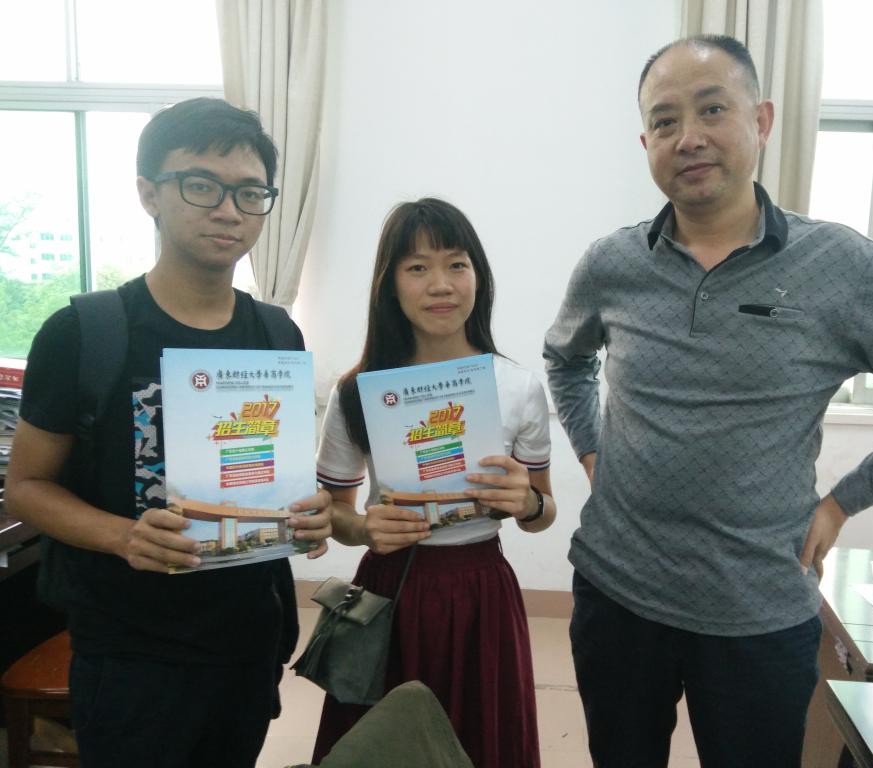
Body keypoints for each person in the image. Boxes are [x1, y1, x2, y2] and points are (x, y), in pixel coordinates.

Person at [543, 34, 873, 768]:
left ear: (761, 121)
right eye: (665, 121)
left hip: (758, 610)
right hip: (617, 594)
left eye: (712, 109)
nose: (689, 138)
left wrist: (843, 502)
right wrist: (594, 451)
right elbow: (565, 360)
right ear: (646, 143)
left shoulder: (841, 266)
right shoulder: (612, 263)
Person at [6, 97, 333, 768]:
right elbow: (27, 486)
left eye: (250, 192)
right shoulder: (85, 333)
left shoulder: (277, 333)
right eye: (201, 185)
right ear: (149, 193)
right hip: (130, 653)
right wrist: (123, 535)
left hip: (247, 642)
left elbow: (272, 472)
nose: (229, 210)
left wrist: (309, 514)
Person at [311, 198, 556, 768]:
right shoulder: (358, 391)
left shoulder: (518, 387)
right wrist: (364, 528)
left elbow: (544, 513)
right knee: (380, 746)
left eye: (456, 264)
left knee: (481, 741)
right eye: (417, 267)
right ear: (390, 285)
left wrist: (527, 502)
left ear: (479, 277)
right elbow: (335, 512)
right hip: (389, 591)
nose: (441, 285)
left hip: (480, 590)